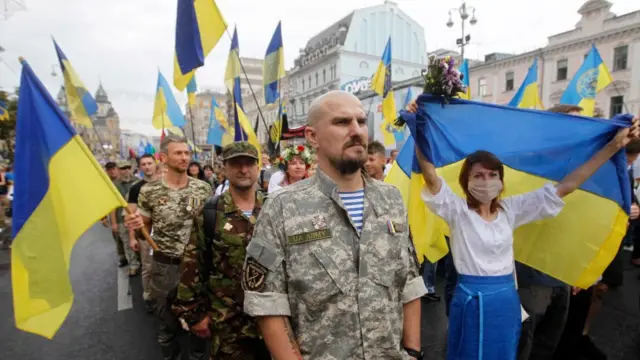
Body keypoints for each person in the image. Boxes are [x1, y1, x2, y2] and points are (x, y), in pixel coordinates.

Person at [410, 99, 639, 360]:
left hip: (507, 300)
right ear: (466, 181)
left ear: (501, 180)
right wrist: (420, 128)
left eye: (492, 175)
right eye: (478, 176)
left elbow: (568, 185)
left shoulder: (511, 209)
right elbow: (430, 175)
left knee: (505, 353)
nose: (486, 181)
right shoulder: (456, 210)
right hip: (472, 301)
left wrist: (613, 146)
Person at [242, 91, 426, 360]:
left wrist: (413, 351)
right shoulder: (282, 207)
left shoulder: (391, 199)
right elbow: (267, 302)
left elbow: (409, 282)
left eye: (361, 121)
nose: (356, 131)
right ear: (312, 136)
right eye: (342, 122)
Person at [170, 142, 270, 359]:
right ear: (224, 168)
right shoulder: (210, 212)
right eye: (236, 164)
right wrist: (194, 315)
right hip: (227, 322)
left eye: (249, 164)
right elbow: (192, 264)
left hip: (273, 319)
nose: (243, 170)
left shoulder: (275, 208)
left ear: (257, 168)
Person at [553, 139, 640, 360]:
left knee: (594, 293)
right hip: (574, 252)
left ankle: (581, 337)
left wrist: (632, 208)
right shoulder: (579, 172)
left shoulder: (619, 171)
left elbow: (627, 198)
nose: (631, 163)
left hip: (605, 245)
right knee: (563, 308)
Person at [130, 135, 212, 360]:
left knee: (199, 323)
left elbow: (211, 226)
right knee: (167, 324)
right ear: (164, 158)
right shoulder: (150, 191)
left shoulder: (203, 189)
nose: (184, 157)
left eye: (187, 153)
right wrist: (137, 227)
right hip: (165, 266)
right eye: (179, 153)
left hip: (196, 267)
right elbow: (143, 231)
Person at [515, 104, 583, 360]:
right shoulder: (528, 166)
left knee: (547, 346)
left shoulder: (581, 169)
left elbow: (580, 224)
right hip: (531, 277)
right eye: (574, 125)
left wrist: (579, 270)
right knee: (524, 345)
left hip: (562, 276)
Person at [127, 154, 158, 313]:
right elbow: (131, 214)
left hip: (164, 235)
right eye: (144, 164)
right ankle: (148, 296)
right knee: (148, 267)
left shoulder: (165, 184)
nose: (147, 166)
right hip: (145, 234)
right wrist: (132, 238)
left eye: (150, 163)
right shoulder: (135, 188)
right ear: (140, 167)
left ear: (155, 164)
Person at [111, 160, 140, 276]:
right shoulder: (114, 185)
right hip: (121, 219)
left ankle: (140, 262)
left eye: (128, 167)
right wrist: (114, 223)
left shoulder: (137, 182)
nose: (126, 170)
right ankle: (133, 264)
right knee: (128, 242)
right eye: (123, 168)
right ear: (119, 170)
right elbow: (112, 206)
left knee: (139, 241)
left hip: (138, 217)